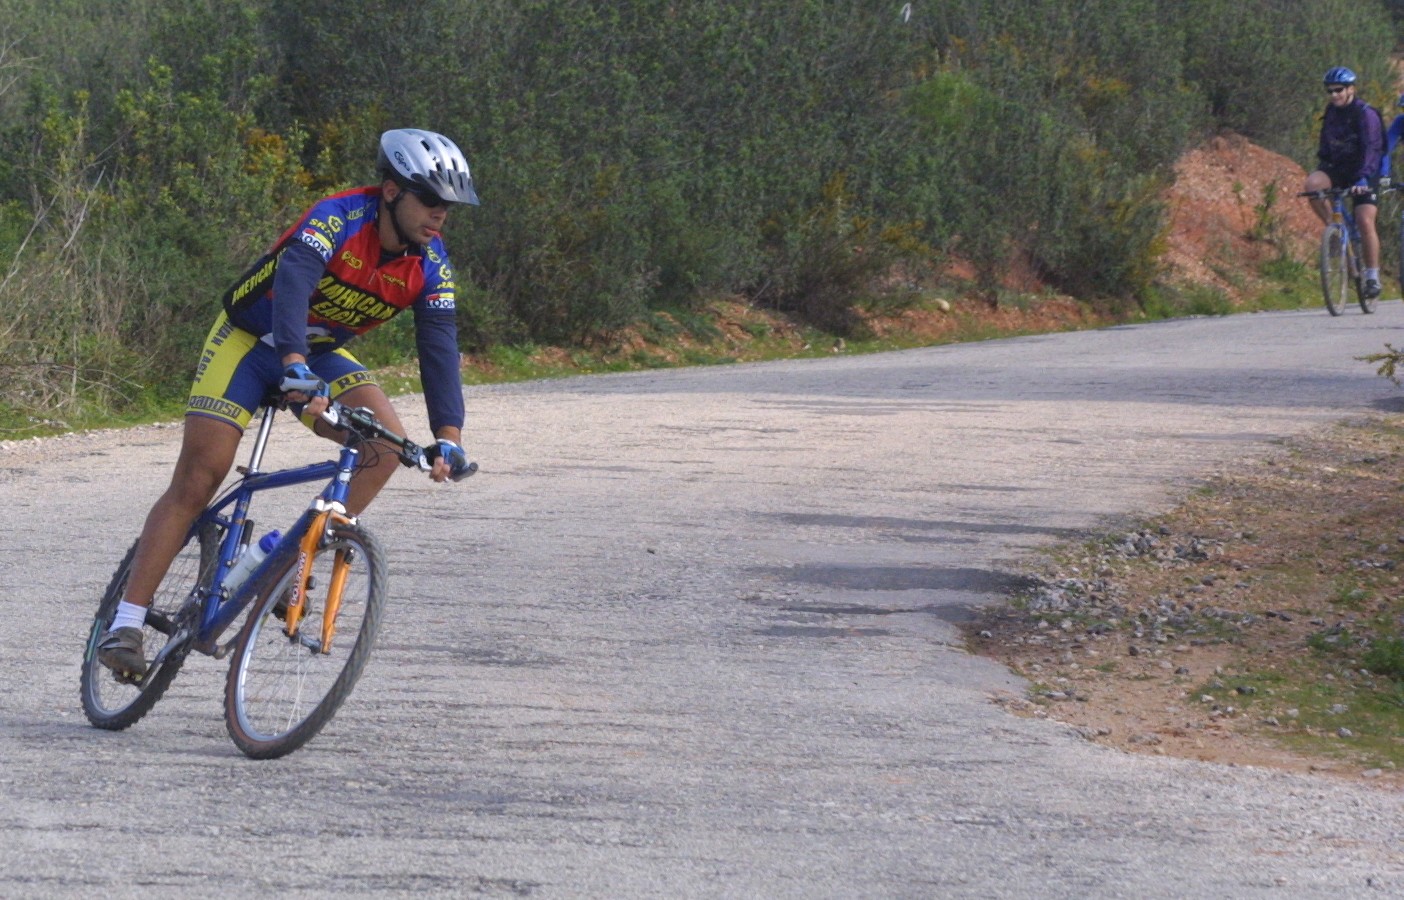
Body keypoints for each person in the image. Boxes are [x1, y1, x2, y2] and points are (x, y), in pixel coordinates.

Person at [97, 128, 479, 679]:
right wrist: (292, 363)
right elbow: (295, 279)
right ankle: (126, 624)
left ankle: (280, 561)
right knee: (201, 476)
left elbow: (439, 345)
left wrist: (450, 436)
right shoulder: (337, 216)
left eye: (450, 205)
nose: (441, 214)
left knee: (384, 447)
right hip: (251, 342)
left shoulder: (431, 264)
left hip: (319, 353)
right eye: (432, 200)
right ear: (392, 191)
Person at [1304, 66, 1386, 300]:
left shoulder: (1365, 113)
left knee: (1364, 220)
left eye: (1338, 90)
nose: (1333, 95)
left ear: (1351, 89)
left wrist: (1363, 177)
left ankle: (1372, 276)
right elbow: (1326, 148)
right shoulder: (1331, 112)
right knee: (1312, 185)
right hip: (1338, 169)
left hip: (1365, 172)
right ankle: (1336, 230)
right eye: (1329, 91)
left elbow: (1373, 148)